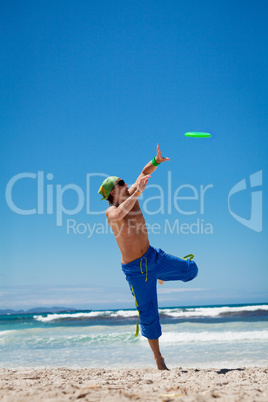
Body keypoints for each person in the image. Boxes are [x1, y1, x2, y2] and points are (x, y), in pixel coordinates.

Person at [98, 144, 198, 370]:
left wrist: (156, 161)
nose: (126, 185)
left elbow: (143, 174)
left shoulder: (132, 192)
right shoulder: (110, 212)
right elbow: (120, 213)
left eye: (124, 182)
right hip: (136, 269)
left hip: (154, 257)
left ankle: (161, 275)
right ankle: (159, 359)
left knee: (191, 270)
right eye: (120, 184)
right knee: (149, 315)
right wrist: (138, 192)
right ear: (113, 192)